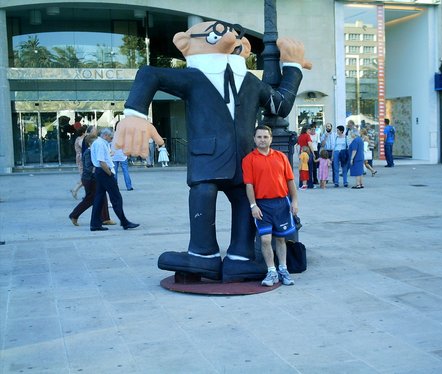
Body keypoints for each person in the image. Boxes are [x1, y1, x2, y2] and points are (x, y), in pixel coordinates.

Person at [115, 21, 310, 282]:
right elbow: (150, 74)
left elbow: (281, 105)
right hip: (207, 159)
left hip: (244, 159)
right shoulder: (193, 77)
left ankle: (239, 258)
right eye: (217, 32)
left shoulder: (250, 81)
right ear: (184, 43)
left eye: (237, 34)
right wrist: (135, 114)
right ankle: (202, 254)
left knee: (243, 200)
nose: (230, 36)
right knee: (204, 193)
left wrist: (294, 67)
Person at [242, 125, 298, 287]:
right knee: (265, 240)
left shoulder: (281, 157)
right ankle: (271, 271)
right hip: (262, 205)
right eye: (259, 137)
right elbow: (249, 185)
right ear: (254, 139)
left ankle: (283, 269)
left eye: (265, 137)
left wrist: (294, 201)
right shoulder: (249, 160)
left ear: (271, 139)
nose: (262, 140)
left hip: (281, 203)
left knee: (281, 239)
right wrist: (253, 205)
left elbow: (290, 181)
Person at [90, 128, 139, 231]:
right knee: (116, 197)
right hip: (104, 172)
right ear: (105, 135)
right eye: (111, 137)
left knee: (99, 198)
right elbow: (101, 162)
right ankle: (124, 222)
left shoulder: (100, 143)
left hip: (100, 172)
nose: (112, 139)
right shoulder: (100, 144)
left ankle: (95, 224)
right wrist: (110, 173)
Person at [69, 134, 115, 226]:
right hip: (90, 179)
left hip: (93, 178)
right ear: (90, 143)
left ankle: (105, 218)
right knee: (90, 199)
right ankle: (74, 215)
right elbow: (89, 167)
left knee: (102, 197)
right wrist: (101, 171)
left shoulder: (93, 151)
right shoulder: (88, 152)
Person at [112, 123, 133, 191]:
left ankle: (115, 187)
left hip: (113, 155)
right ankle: (129, 186)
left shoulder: (112, 135)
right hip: (123, 155)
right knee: (125, 171)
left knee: (114, 172)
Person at [70, 126, 86, 199]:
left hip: (80, 158)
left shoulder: (78, 139)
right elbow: (82, 146)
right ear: (83, 132)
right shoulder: (80, 139)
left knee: (85, 176)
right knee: (85, 176)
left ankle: (85, 193)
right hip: (81, 158)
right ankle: (75, 189)